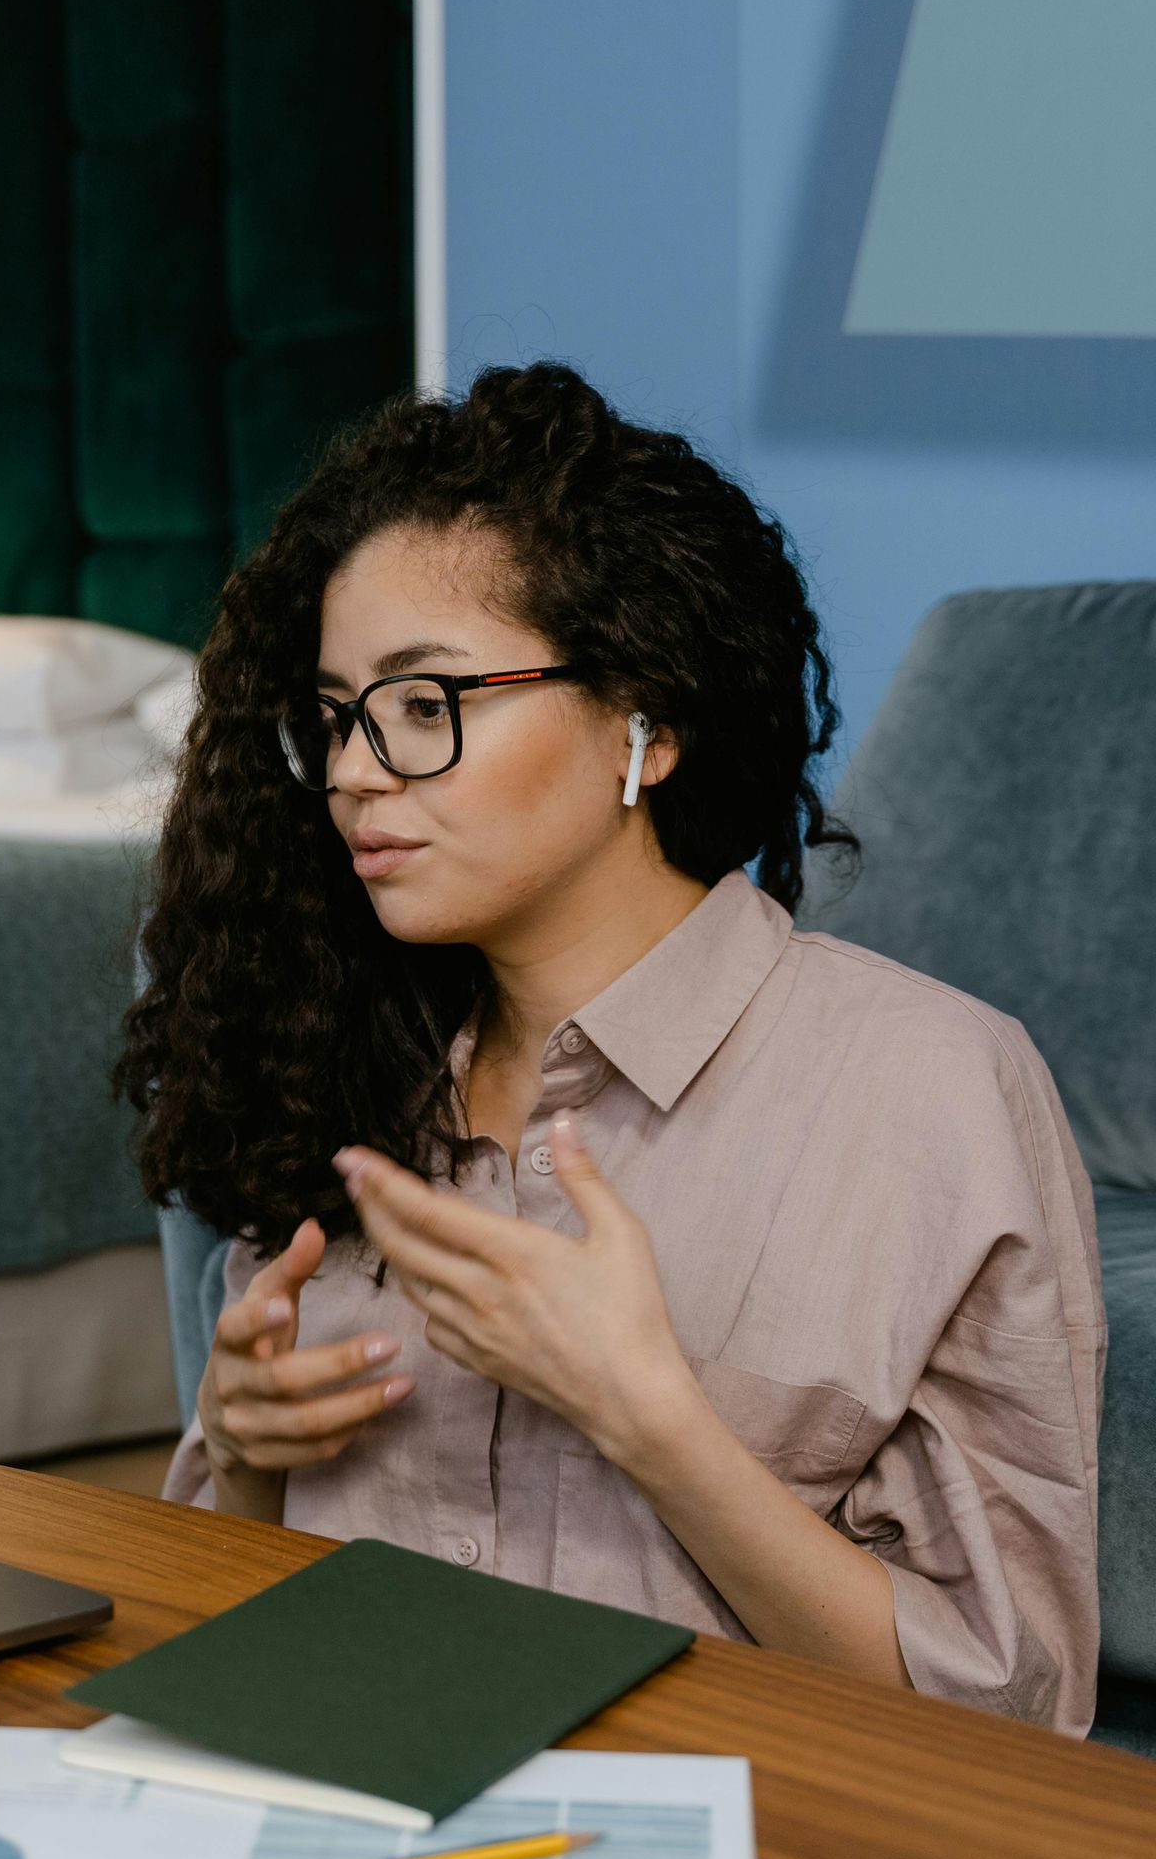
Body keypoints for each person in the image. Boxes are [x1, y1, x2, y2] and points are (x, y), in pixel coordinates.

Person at [120, 364, 1100, 1732]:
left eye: (423, 705)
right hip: (338, 1805)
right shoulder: (331, 1059)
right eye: (339, 716)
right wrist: (241, 1454)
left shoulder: (930, 1093)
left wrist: (647, 1415)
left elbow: (1011, 1717)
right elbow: (235, 1628)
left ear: (647, 720)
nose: (353, 772)